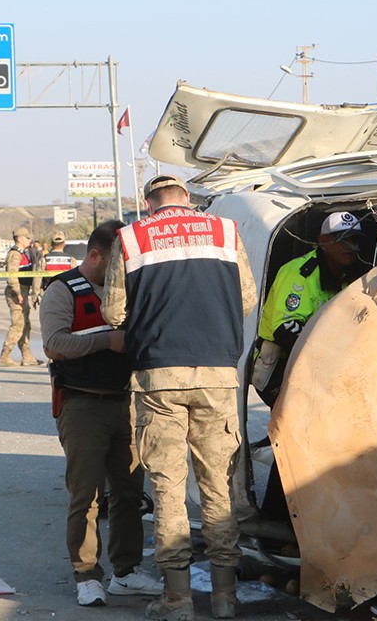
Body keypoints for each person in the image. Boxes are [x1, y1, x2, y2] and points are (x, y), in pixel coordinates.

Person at [103, 175, 257, 621]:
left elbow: (115, 311)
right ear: (187, 200)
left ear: (150, 204)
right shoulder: (225, 231)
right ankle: (226, 597)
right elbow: (245, 296)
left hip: (158, 376)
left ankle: (177, 599)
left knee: (168, 488)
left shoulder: (131, 238)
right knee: (218, 488)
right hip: (217, 373)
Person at [40, 221, 162, 607]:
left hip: (126, 403)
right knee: (87, 495)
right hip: (82, 405)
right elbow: (55, 344)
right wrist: (106, 340)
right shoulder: (63, 290)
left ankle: (125, 572)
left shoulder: (129, 292)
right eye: (115, 263)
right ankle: (86, 574)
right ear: (95, 256)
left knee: (129, 493)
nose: (121, 272)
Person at [249, 211, 365, 521]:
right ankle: (276, 516)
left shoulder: (347, 278)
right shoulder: (301, 273)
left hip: (314, 369)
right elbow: (287, 330)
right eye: (342, 240)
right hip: (278, 367)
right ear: (323, 242)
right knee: (297, 437)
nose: (350, 247)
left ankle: (303, 514)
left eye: (355, 240)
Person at [0, 227, 41, 366]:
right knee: (18, 324)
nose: (30, 240)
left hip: (23, 290)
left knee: (25, 324)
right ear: (20, 238)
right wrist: (17, 293)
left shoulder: (23, 253)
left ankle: (27, 356)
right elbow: (12, 275)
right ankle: (4, 356)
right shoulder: (15, 254)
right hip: (16, 292)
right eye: (27, 238)